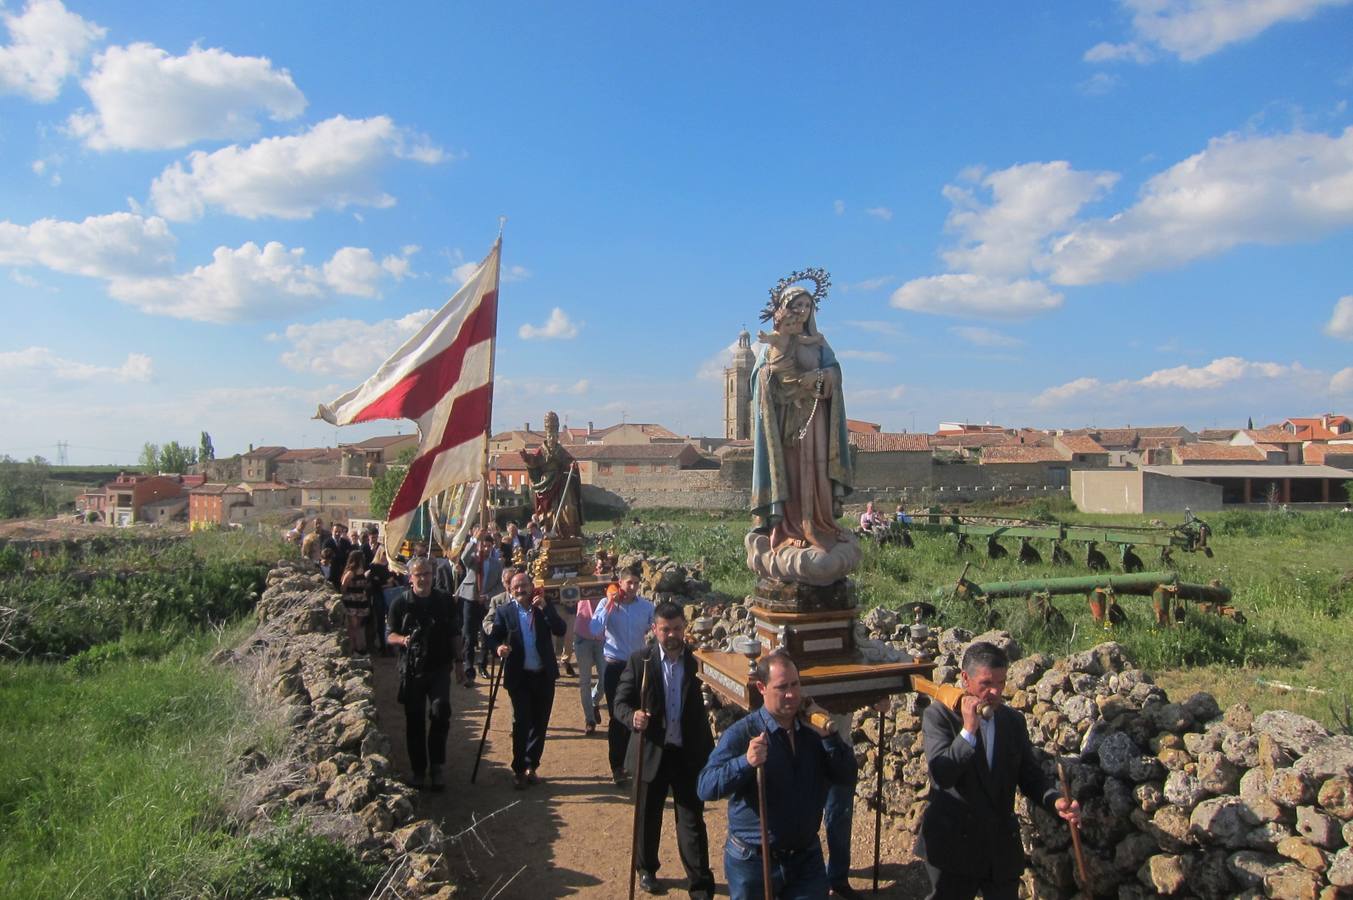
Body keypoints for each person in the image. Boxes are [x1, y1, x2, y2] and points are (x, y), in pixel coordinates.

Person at [919, 642, 1081, 900]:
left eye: (1001, 683)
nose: (995, 691)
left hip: (999, 847)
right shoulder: (939, 717)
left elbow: (1029, 775)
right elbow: (942, 775)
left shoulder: (1012, 722)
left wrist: (1054, 799)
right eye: (985, 684)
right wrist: (968, 732)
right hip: (953, 846)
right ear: (965, 679)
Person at [698, 650, 856, 900]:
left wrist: (830, 738)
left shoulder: (814, 731)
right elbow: (706, 786)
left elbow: (847, 776)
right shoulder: (743, 733)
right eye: (782, 687)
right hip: (754, 863)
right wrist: (746, 762)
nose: (792, 694)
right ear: (762, 687)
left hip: (806, 859)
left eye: (796, 684)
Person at [614, 602, 716, 899]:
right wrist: (632, 716)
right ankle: (646, 869)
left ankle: (700, 883)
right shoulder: (640, 661)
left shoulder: (699, 662)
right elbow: (620, 701)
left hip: (687, 752)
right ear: (654, 629)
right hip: (652, 750)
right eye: (665, 629)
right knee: (648, 815)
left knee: (692, 819)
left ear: (684, 628)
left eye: (677, 629)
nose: (671, 635)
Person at [750, 277, 854, 549]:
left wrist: (819, 376)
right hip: (786, 418)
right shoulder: (776, 342)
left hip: (816, 417)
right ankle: (790, 526)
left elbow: (836, 374)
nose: (803, 310)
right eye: (798, 304)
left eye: (808, 305)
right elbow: (759, 378)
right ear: (786, 307)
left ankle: (822, 523)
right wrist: (772, 374)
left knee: (818, 468)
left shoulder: (819, 343)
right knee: (794, 469)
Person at [386, 557, 465, 791]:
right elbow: (389, 634)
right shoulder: (400, 604)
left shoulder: (444, 601)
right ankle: (419, 770)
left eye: (427, 574)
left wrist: (459, 661)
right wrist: (403, 640)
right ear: (410, 578)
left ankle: (437, 766)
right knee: (414, 720)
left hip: (439, 666)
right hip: (412, 669)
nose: (424, 578)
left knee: (441, 711)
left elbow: (454, 633)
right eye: (419, 575)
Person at [487, 572, 567, 788]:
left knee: (540, 723)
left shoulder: (543, 607)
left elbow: (561, 629)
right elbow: (493, 636)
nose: (521, 590)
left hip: (543, 675)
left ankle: (532, 765)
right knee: (521, 722)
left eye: (524, 586)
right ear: (510, 591)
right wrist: (498, 648)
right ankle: (519, 768)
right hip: (519, 676)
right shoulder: (505, 612)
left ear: (532, 587)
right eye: (516, 588)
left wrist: (546, 609)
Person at [591, 565, 656, 783]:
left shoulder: (646, 607)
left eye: (637, 583)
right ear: (620, 583)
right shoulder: (606, 604)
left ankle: (635, 764)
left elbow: (655, 628)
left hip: (637, 666)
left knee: (639, 714)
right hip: (614, 666)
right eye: (629, 583)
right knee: (617, 716)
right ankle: (617, 766)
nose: (633, 587)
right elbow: (594, 630)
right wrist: (609, 605)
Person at [521, 411, 583, 538]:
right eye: (550, 436)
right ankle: (549, 530)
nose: (552, 438)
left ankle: (568, 532)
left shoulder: (560, 450)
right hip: (546, 482)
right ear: (547, 435)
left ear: (557, 436)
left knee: (568, 507)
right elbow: (534, 461)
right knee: (549, 509)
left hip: (561, 482)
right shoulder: (541, 450)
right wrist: (527, 458)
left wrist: (572, 465)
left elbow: (569, 460)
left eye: (554, 436)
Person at [457, 532, 501, 686]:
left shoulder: (497, 563)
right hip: (471, 599)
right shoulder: (474, 559)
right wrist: (475, 540)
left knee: (486, 635)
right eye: (484, 545)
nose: (486, 548)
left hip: (486, 602)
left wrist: (488, 596)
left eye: (489, 546)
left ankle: (482, 665)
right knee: (469, 635)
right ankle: (469, 670)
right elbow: (464, 558)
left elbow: (499, 585)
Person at [572, 583, 610, 734]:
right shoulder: (582, 580)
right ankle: (589, 719)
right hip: (582, 635)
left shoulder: (609, 584)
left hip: (602, 637)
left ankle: (595, 701)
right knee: (585, 681)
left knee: (605, 677)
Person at [339, 549, 371, 654]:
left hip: (361, 601)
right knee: (353, 625)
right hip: (351, 601)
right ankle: (353, 647)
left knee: (358, 626)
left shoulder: (363, 571)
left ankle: (358, 646)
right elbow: (343, 587)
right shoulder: (350, 573)